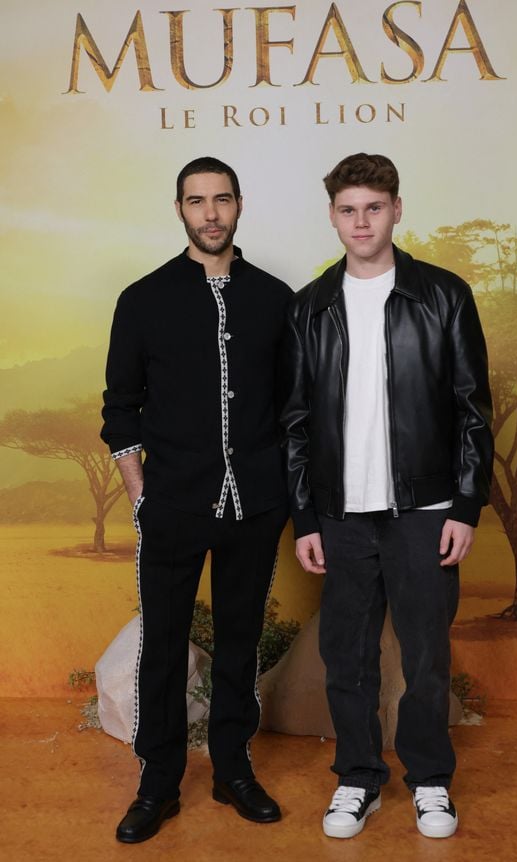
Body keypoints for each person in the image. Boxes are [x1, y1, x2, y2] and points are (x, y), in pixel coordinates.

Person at [281, 153, 493, 840]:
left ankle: (430, 780)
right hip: (341, 517)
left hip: (425, 512)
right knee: (348, 656)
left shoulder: (443, 296)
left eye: (374, 207)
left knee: (427, 656)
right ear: (333, 216)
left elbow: (472, 409)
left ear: (397, 210)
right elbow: (295, 422)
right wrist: (305, 516)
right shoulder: (310, 308)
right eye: (348, 209)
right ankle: (358, 779)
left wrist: (464, 506)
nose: (361, 221)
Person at [101, 157, 292, 843]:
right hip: (174, 503)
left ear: (239, 205)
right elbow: (120, 407)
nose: (210, 213)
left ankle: (233, 768)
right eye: (196, 201)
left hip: (257, 504)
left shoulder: (276, 298)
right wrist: (139, 489)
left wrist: (289, 493)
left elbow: (293, 405)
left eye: (221, 199)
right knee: (164, 645)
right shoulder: (143, 299)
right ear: (179, 209)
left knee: (240, 642)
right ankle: (157, 782)